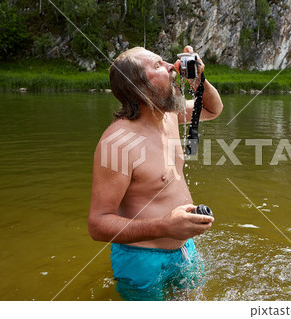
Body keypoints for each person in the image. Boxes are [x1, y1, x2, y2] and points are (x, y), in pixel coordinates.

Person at [88, 45, 223, 300]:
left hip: (184, 250)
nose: (173, 67)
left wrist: (198, 80)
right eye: (158, 65)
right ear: (139, 86)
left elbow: (213, 109)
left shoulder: (169, 115)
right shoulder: (118, 142)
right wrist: (164, 226)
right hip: (141, 261)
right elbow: (97, 225)